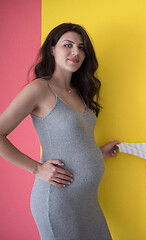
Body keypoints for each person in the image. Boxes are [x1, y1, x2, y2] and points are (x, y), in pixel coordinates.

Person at [0, 23, 119, 239]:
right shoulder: (39, 89)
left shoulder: (79, 92)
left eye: (81, 47)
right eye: (68, 45)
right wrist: (36, 168)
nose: (76, 52)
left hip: (88, 202)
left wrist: (97, 152)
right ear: (52, 49)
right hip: (58, 202)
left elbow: (70, 140)